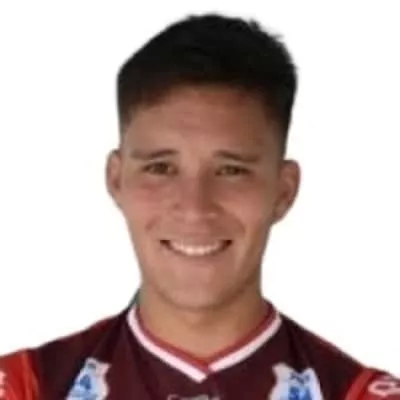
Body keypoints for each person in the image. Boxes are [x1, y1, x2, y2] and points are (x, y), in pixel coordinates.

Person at [0, 13, 399, 400]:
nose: (194, 208)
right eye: (160, 168)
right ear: (116, 180)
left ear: (284, 190)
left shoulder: (358, 394)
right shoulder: (26, 387)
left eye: (231, 170)